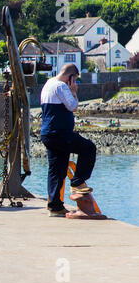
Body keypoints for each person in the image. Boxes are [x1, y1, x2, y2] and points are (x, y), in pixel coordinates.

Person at [40, 64, 97, 217]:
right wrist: (73, 92)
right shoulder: (61, 86)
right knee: (88, 148)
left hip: (48, 134)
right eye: (75, 80)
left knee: (56, 170)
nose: (75, 83)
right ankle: (78, 182)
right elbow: (73, 106)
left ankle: (55, 207)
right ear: (70, 77)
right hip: (60, 133)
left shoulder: (48, 84)